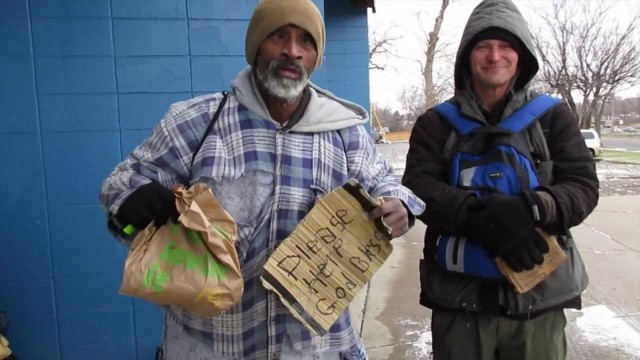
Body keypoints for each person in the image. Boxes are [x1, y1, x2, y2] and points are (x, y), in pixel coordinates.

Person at [100, 0, 424, 359]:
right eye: (278, 36)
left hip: (315, 348)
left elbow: (386, 185)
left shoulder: (344, 132)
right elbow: (123, 184)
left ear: (316, 57)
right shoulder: (197, 122)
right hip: (211, 344)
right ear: (255, 46)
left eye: (306, 42)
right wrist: (131, 199)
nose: (292, 51)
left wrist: (400, 207)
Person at [402, 0, 599, 359]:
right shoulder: (436, 123)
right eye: (483, 46)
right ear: (467, 56)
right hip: (457, 306)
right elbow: (418, 187)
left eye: (506, 45)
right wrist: (480, 216)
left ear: (521, 56)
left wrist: (531, 209)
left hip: (537, 306)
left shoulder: (552, 117)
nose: (495, 55)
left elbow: (583, 186)